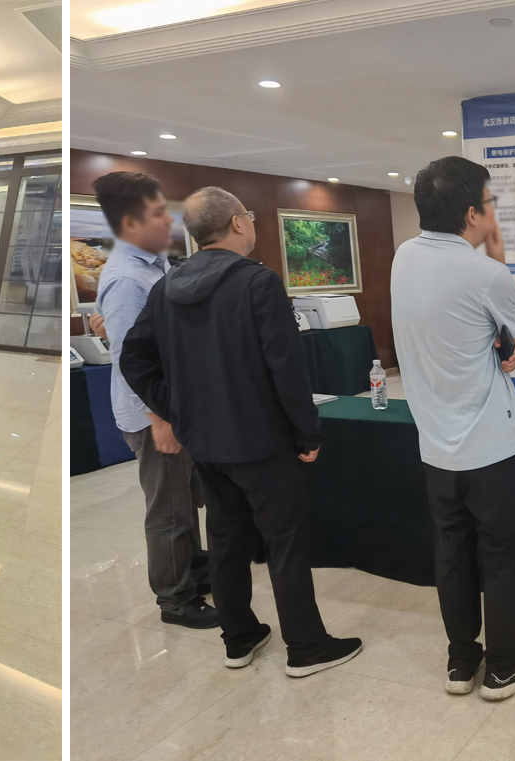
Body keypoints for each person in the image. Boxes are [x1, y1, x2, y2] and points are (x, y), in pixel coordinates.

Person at [118, 186, 362, 677]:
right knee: (285, 542)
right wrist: (307, 434)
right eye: (249, 215)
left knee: (226, 537)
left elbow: (133, 357)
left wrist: (178, 410)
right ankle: (306, 646)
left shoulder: (168, 287)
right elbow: (286, 368)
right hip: (264, 442)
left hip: (206, 444)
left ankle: (238, 637)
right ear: (236, 222)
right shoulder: (258, 282)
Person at [391, 156, 515, 701]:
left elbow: (460, 333)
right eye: (489, 202)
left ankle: (462, 662)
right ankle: (504, 667)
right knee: (501, 557)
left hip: (436, 447)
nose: (493, 212)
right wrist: (498, 259)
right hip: (494, 449)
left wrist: (495, 349)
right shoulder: (487, 273)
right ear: (471, 214)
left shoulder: (403, 256)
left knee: (452, 554)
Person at [92, 171, 217, 630]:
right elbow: (131, 360)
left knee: (186, 500)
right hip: (154, 415)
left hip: (171, 404)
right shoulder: (128, 278)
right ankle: (175, 598)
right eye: (158, 213)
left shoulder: (156, 266)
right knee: (169, 511)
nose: (169, 221)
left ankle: (195, 569)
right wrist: (159, 421)